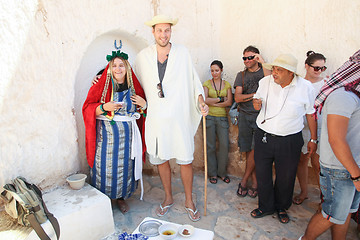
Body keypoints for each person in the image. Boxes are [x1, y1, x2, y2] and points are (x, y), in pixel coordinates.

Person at [134, 15, 209, 222]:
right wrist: (101, 76)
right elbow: (134, 82)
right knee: (161, 159)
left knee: (185, 159)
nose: (163, 34)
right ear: (153, 32)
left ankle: (188, 200)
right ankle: (168, 198)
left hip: (178, 117)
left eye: (167, 30)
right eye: (159, 30)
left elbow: (194, 82)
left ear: (171, 32)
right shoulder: (143, 57)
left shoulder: (182, 53)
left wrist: (201, 101)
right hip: (157, 117)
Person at [250, 54, 317, 224]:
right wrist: (256, 103)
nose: (274, 73)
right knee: (263, 173)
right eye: (273, 69)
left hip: (290, 139)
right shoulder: (265, 83)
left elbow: (310, 112)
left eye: (279, 70)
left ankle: (281, 206)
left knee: (286, 176)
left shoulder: (305, 87)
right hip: (264, 135)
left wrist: (313, 139)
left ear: (290, 73)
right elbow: (257, 99)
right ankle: (265, 206)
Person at [300, 49, 360, 240]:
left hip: (352, 166)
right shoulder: (343, 96)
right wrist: (356, 176)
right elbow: (336, 139)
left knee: (345, 213)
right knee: (331, 215)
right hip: (341, 169)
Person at [82, 50, 147, 213]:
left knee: (125, 169)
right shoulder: (101, 86)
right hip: (106, 140)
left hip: (127, 140)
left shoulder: (134, 88)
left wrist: (144, 103)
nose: (118, 69)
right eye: (114, 66)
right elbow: (87, 108)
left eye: (121, 65)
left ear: (127, 68)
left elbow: (143, 113)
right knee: (104, 168)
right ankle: (102, 200)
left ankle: (121, 198)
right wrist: (104, 107)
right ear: (109, 68)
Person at [234, 46, 270, 198]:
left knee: (256, 150)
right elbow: (237, 98)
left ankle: (245, 180)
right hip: (244, 116)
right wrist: (256, 94)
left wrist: (264, 62)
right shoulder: (241, 75)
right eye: (245, 58)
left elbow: (270, 87)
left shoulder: (265, 73)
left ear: (257, 57)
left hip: (261, 118)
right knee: (249, 150)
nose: (247, 61)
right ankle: (254, 182)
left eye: (251, 57)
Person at [293, 51, 327, 205]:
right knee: (302, 160)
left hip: (321, 127)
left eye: (322, 68)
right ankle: (304, 192)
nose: (319, 71)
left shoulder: (326, 83)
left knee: (318, 163)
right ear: (307, 66)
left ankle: (324, 196)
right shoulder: (298, 83)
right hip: (302, 127)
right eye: (316, 68)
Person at [203, 60, 232, 184]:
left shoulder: (227, 85)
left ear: (221, 70)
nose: (214, 73)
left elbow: (229, 102)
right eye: (212, 70)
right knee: (210, 146)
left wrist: (212, 101)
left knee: (224, 145)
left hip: (222, 118)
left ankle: (222, 173)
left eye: (217, 70)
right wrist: (220, 99)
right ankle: (212, 174)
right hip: (209, 117)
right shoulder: (207, 84)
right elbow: (204, 100)